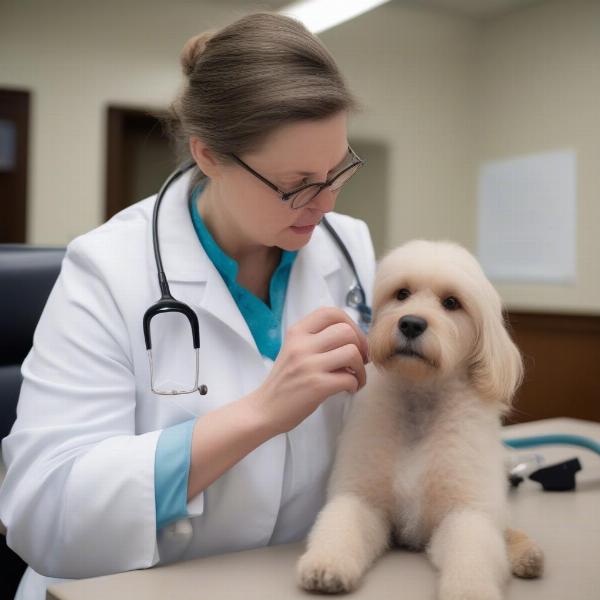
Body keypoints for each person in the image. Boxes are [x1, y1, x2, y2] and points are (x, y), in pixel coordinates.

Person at [0, 12, 376, 600]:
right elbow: (45, 510)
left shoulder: (348, 249)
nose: (324, 203)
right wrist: (260, 413)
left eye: (338, 171)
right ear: (209, 155)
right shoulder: (106, 269)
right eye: (298, 183)